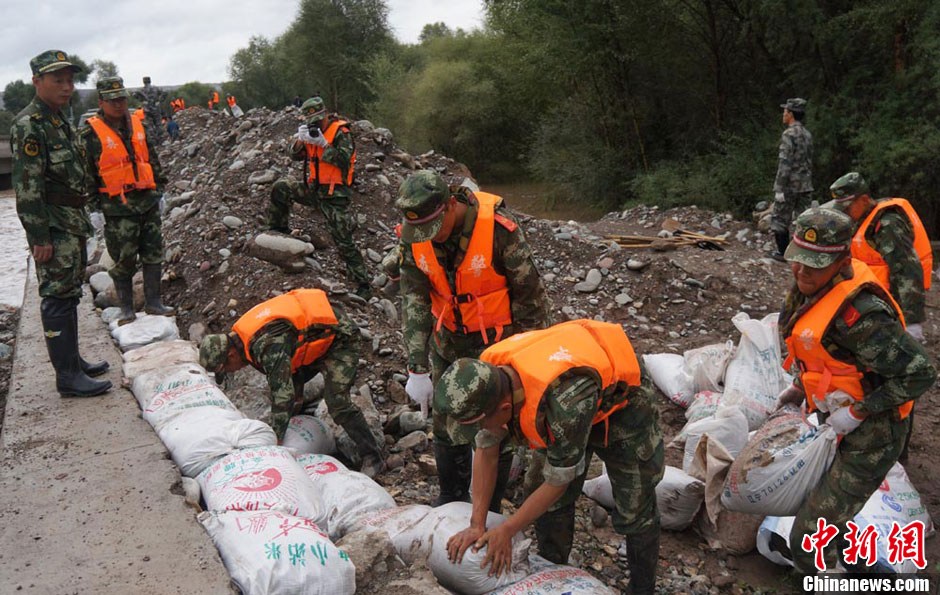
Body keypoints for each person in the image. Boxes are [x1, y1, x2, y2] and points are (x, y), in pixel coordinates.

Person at [436, 319, 663, 594]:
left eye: (481, 423)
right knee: (543, 498)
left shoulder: (564, 404)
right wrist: (477, 524)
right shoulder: (486, 377)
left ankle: (643, 588)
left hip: (625, 407)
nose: (481, 430)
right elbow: (487, 449)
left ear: (506, 407)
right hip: (569, 401)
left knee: (635, 507)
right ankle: (553, 573)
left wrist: (507, 530)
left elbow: (559, 480)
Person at [775, 208, 935, 575]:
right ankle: (854, 569)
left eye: (813, 266)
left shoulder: (863, 317)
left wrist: (860, 411)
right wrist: (800, 388)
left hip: (873, 435)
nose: (801, 272)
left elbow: (921, 374)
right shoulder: (808, 288)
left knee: (808, 537)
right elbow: (827, 353)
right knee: (831, 512)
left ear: (843, 261)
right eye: (797, 263)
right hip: (834, 419)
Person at [396, 170, 552, 510]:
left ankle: (490, 506)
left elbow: (531, 299)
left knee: (496, 429)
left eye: (433, 228)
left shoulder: (498, 229)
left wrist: (526, 363)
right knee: (445, 418)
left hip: (497, 347)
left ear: (451, 205)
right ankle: (451, 496)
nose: (430, 238)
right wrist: (417, 367)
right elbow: (414, 297)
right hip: (447, 341)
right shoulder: (414, 236)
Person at [198, 288, 386, 477]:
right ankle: (300, 420)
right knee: (289, 394)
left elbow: (282, 394)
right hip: (308, 342)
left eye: (228, 369)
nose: (234, 371)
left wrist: (276, 440)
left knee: (337, 402)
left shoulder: (266, 345)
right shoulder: (242, 337)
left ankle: (373, 456)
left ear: (230, 355)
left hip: (339, 339)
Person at [10, 50, 112, 397]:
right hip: (53, 226)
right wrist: (39, 236)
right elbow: (27, 188)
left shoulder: (58, 119)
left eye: (70, 79)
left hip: (71, 221)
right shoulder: (30, 125)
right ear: (37, 82)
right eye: (58, 80)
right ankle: (67, 377)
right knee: (55, 297)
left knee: (69, 295)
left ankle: (73, 361)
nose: (67, 86)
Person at [80, 76, 175, 326]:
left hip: (148, 201)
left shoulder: (136, 123)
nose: (119, 104)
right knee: (123, 258)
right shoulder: (90, 133)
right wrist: (94, 209)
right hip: (117, 208)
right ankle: (126, 309)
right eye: (113, 100)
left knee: (153, 253)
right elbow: (88, 172)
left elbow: (150, 158)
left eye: (122, 98)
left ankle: (154, 303)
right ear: (101, 101)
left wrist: (161, 188)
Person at [267, 96, 371, 298]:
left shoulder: (341, 133)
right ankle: (278, 229)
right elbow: (294, 156)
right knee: (281, 187)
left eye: (317, 120)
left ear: (324, 115)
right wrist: (299, 141)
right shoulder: (311, 132)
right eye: (310, 122)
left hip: (335, 195)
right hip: (314, 189)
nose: (315, 125)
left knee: (343, 240)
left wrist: (323, 145)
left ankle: (363, 284)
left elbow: (343, 161)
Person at [769, 97, 814, 261]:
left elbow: (785, 163)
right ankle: (805, 254)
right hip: (806, 184)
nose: (783, 114)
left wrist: (779, 188)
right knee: (804, 220)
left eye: (785, 111)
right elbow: (809, 161)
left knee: (780, 219)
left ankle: (783, 253)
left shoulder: (789, 134)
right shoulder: (807, 135)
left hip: (789, 185)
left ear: (791, 114)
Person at [132, 76, 165, 144]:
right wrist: (159, 101)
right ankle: (161, 139)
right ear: (150, 81)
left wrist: (141, 100)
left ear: (144, 81)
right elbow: (164, 93)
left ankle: (154, 140)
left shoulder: (142, 90)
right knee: (158, 124)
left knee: (150, 125)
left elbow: (134, 94)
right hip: (156, 108)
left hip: (147, 109)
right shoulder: (155, 88)